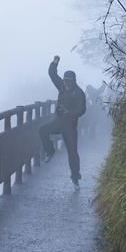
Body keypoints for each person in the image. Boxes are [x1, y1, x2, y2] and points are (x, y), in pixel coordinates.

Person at [39, 55, 86, 188]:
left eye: (69, 81)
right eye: (65, 81)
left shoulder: (79, 93)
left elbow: (82, 109)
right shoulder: (61, 87)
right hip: (58, 121)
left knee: (72, 153)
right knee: (42, 130)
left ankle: (75, 177)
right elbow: (52, 74)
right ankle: (50, 151)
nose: (67, 83)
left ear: (74, 81)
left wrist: (69, 113)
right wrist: (55, 63)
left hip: (70, 126)